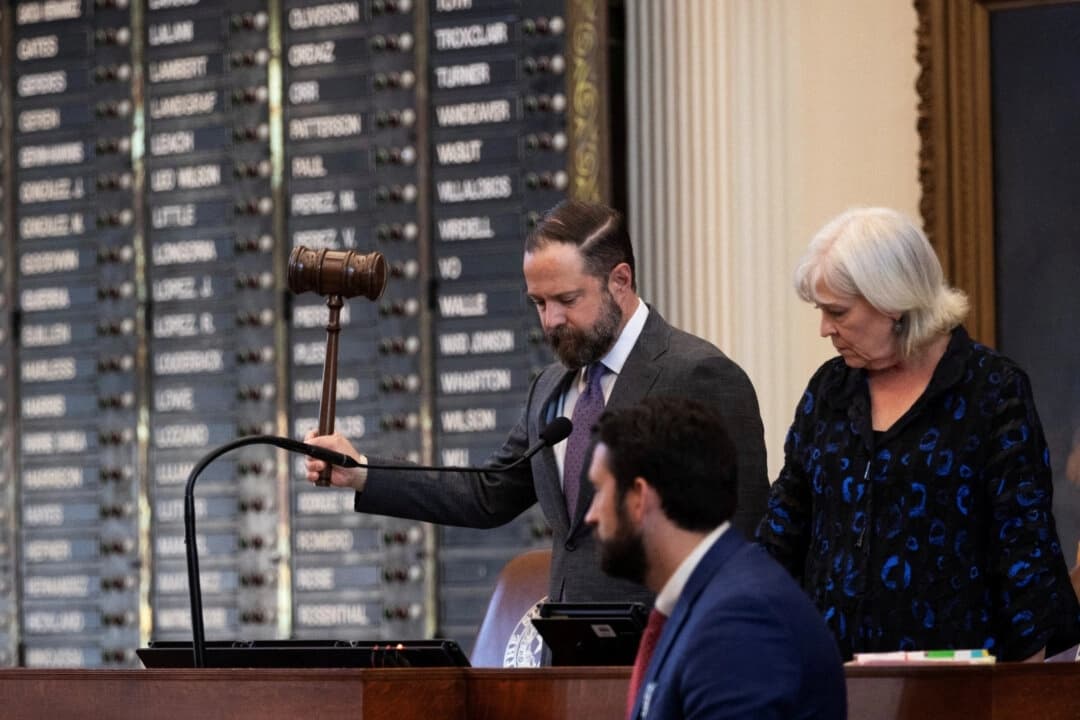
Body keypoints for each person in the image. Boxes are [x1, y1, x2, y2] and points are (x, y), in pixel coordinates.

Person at [304, 200, 769, 606]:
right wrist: (361, 471)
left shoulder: (698, 374)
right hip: (565, 666)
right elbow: (487, 493)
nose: (551, 321)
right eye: (539, 303)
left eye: (567, 299)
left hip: (662, 663)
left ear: (620, 281)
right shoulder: (551, 385)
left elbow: (743, 533)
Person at [757, 206, 1079, 661]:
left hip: (959, 683)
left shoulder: (991, 389)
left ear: (893, 302)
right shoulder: (830, 389)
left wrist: (1023, 689)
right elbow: (784, 525)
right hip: (833, 678)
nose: (825, 328)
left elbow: (1023, 546)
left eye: (837, 312)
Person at [585, 397, 846, 720]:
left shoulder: (739, 621)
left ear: (639, 497)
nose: (590, 515)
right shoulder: (710, 597)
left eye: (599, 490)